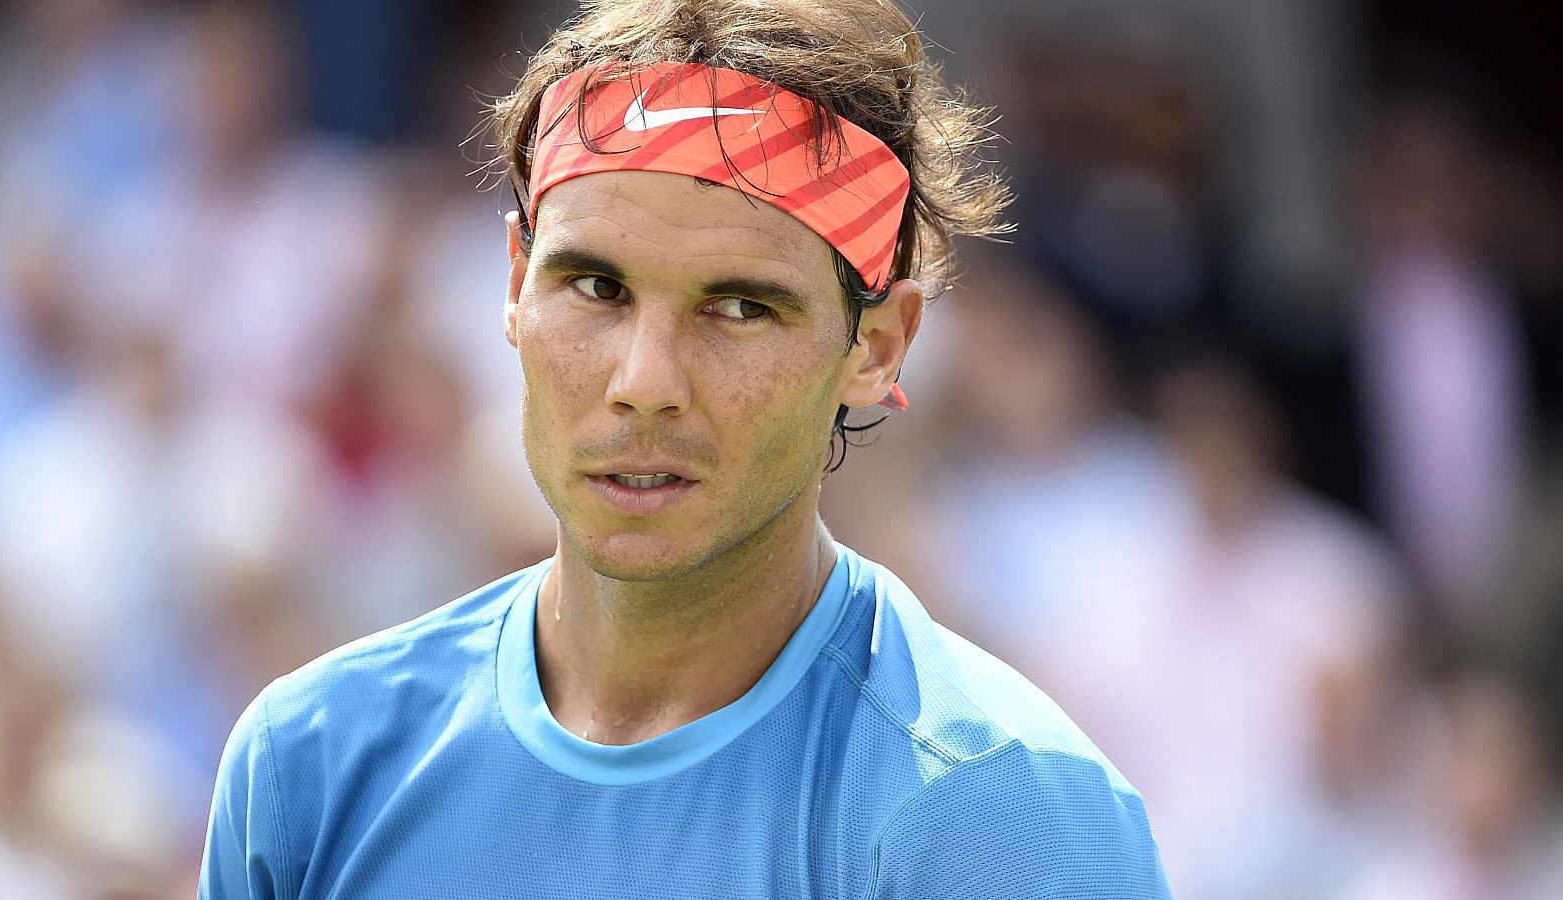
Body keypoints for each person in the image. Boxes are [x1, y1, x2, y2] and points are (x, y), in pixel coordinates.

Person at [198, 0, 1172, 896]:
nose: (644, 382)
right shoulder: (311, 765)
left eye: (740, 307)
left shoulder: (1003, 817)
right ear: (512, 284)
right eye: (594, 288)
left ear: (876, 347)